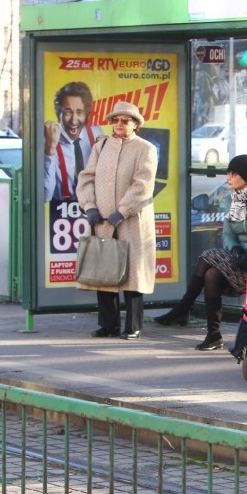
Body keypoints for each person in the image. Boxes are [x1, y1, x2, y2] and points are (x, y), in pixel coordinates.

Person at [154, 154, 247, 351]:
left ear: (246, 176)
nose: (228, 177)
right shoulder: (230, 199)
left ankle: (184, 309)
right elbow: (228, 233)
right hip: (237, 258)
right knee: (211, 274)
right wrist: (235, 249)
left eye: (234, 173)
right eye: (228, 172)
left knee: (206, 258)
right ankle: (213, 335)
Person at [76, 101, 158, 339]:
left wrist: (122, 210)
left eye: (125, 120)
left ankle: (133, 326)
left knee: (133, 274)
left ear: (135, 124)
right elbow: (86, 177)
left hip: (132, 219)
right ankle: (108, 325)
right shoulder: (101, 146)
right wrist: (89, 206)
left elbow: (143, 185)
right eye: (116, 120)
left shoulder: (146, 149)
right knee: (104, 270)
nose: (119, 124)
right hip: (102, 218)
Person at [44, 82, 105, 202]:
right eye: (68, 112)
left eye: (79, 112)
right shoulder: (49, 139)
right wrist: (50, 150)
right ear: (59, 113)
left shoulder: (96, 133)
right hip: (61, 214)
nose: (73, 120)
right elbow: (46, 196)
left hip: (93, 209)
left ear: (87, 114)